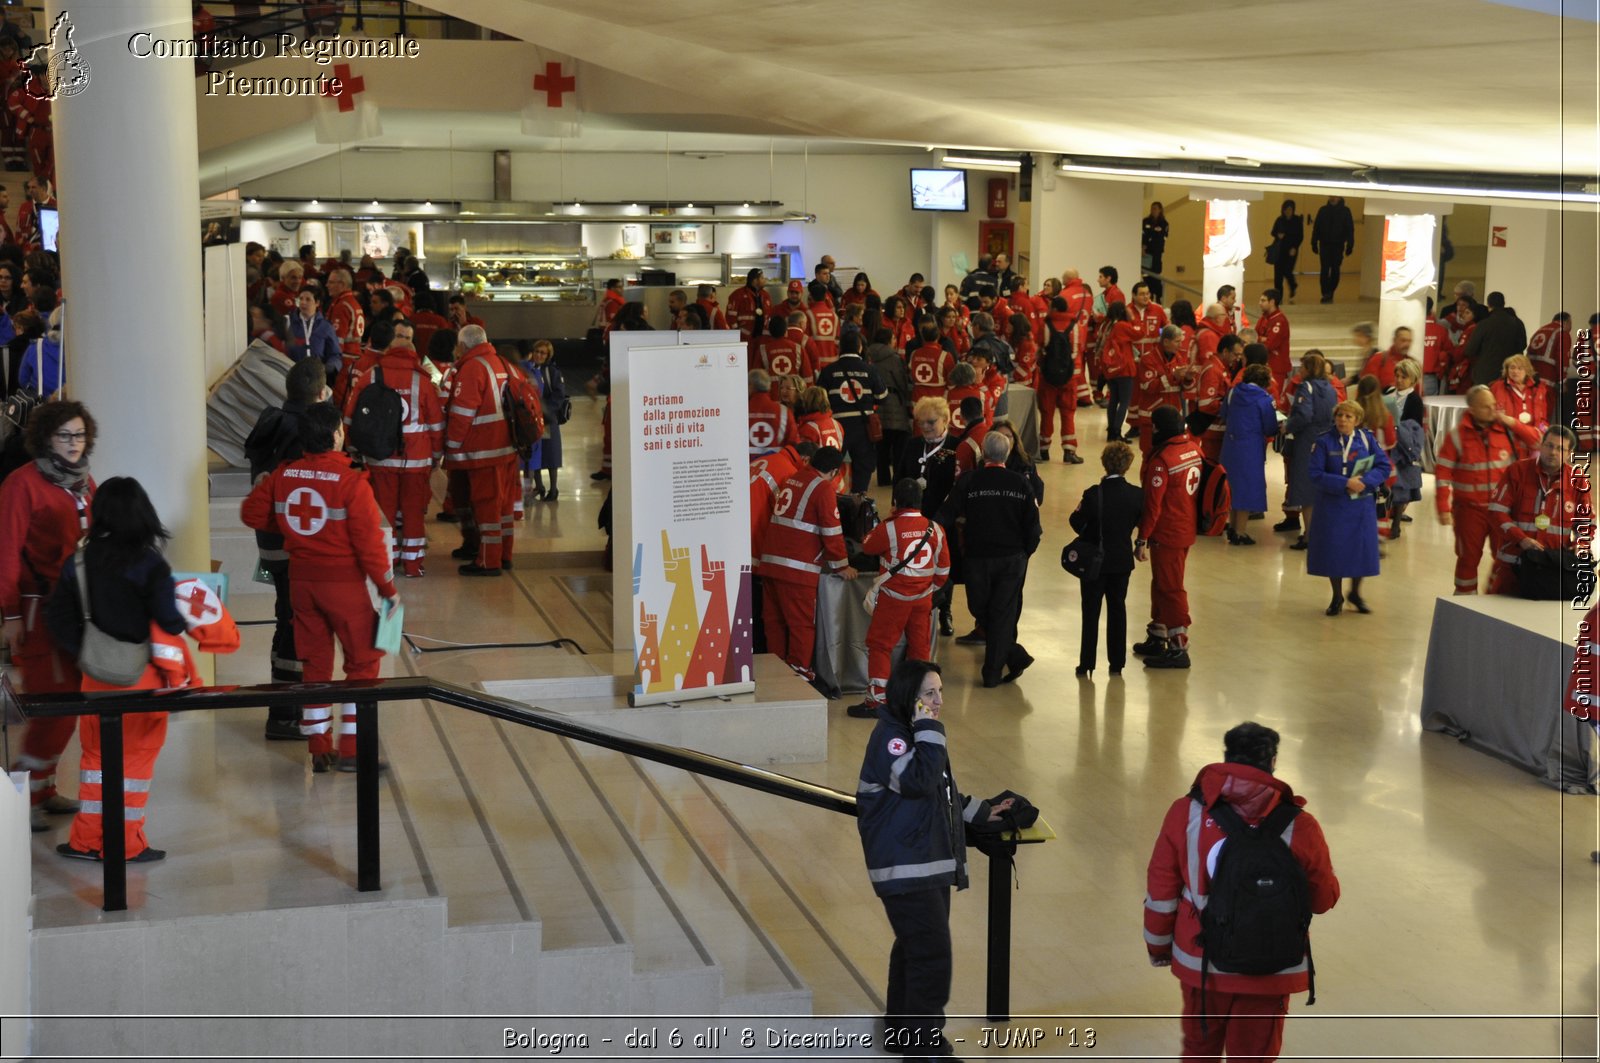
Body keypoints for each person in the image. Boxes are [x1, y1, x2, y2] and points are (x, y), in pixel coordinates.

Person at [1144, 722, 1339, 1063]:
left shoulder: (1185, 813)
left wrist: (1159, 946)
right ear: (1274, 761)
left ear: (1226, 758)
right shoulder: (1300, 824)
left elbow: (1161, 891)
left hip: (1201, 959)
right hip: (1273, 964)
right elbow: (1323, 900)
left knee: (1199, 1051)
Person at [856, 659, 1009, 1059]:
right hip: (909, 869)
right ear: (910, 696)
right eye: (929, 694)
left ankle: (900, 1030)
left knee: (914, 947)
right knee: (931, 956)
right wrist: (929, 728)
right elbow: (919, 780)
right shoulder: (892, 738)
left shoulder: (909, 733)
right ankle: (924, 1049)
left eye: (940, 692)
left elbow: (937, 790)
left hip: (926, 865)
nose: (939, 701)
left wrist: (979, 811)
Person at [241, 403, 400, 773]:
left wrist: (271, 497)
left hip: (301, 584)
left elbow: (251, 514)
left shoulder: (284, 474)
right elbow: (370, 546)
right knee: (364, 663)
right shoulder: (351, 482)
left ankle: (318, 748)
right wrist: (388, 589)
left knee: (315, 665)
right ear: (335, 436)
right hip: (343, 587)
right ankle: (352, 750)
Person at [45, 478, 191, 863]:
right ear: (143, 513)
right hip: (143, 680)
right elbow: (170, 622)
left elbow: (57, 615)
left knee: (95, 762)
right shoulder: (150, 564)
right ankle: (125, 845)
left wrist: (85, 651)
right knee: (135, 765)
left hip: (95, 677)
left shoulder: (79, 560)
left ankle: (85, 842)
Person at [0, 400, 95, 832]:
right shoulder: (22, 485)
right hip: (39, 608)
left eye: (79, 435)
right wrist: (11, 615)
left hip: (76, 608)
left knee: (69, 704)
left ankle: (44, 789)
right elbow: (6, 552)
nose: (74, 444)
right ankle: (22, 796)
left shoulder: (83, 481)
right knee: (51, 704)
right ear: (45, 439)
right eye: (64, 436)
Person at [243, 357, 330, 739]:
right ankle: (285, 715)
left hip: (272, 544)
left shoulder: (270, 422)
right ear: (321, 391)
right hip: (299, 548)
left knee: (287, 622)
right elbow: (311, 498)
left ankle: (285, 709)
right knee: (297, 627)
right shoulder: (308, 433)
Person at [938, 431, 1041, 687]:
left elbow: (947, 513)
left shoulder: (970, 481)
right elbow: (1034, 527)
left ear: (984, 453)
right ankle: (1014, 656)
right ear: (1006, 454)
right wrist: (1025, 553)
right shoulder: (1020, 484)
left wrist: (927, 532)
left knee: (982, 607)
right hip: (1009, 559)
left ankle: (992, 674)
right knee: (998, 614)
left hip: (980, 558)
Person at [344, 319, 443, 578]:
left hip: (380, 457)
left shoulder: (371, 375)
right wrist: (435, 457)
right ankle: (413, 565)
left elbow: (350, 416)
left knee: (384, 512)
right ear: (412, 350)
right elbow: (435, 423)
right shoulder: (423, 381)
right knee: (412, 512)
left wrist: (354, 448)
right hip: (416, 460)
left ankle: (386, 562)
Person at [847, 480, 950, 718]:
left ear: (895, 502)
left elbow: (868, 546)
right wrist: (927, 590)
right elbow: (943, 570)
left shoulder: (889, 528)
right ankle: (919, 701)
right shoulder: (936, 529)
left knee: (881, 645)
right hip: (922, 600)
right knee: (919, 648)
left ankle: (877, 700)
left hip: (894, 599)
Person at [755, 446, 857, 686]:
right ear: (834, 471)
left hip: (770, 563)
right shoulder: (822, 489)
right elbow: (831, 531)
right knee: (800, 624)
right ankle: (799, 670)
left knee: (774, 621)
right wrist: (842, 566)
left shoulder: (792, 479)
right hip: (796, 569)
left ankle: (775, 669)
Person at [1435, 385, 1542, 593]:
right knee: (1468, 558)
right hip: (1469, 511)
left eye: (1494, 405)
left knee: (1505, 557)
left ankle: (1494, 596)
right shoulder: (1456, 437)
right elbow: (1443, 474)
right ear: (1472, 410)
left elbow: (1537, 440)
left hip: (1503, 512)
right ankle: (1465, 602)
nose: (1493, 410)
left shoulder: (1507, 430)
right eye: (1486, 407)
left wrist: (1511, 421)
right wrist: (1442, 507)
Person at [442, 325, 520, 576]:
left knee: (485, 506)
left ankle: (488, 560)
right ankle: (503, 554)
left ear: (463, 346)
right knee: (503, 506)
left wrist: (451, 446)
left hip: (482, 452)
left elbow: (462, 413)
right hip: (507, 448)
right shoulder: (502, 363)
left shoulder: (473, 367)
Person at [1307, 399, 1392, 615]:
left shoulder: (1366, 439)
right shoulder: (1324, 442)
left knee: (1360, 550)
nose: (1342, 420)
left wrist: (1366, 482)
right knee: (1334, 550)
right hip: (1332, 505)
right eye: (1340, 415)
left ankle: (1355, 592)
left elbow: (1383, 465)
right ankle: (1337, 596)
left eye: (1348, 417)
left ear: (1357, 420)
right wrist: (1345, 483)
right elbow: (1315, 474)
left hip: (1360, 505)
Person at [1135, 406, 1202, 669]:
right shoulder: (1194, 448)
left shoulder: (1162, 460)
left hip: (1167, 532)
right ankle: (1157, 634)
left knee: (1171, 588)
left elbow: (1153, 505)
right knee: (1162, 583)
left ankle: (1178, 647)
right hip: (1185, 527)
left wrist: (1142, 538)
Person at [1070, 441, 1143, 678]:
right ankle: (1116, 663)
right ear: (1128, 465)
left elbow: (1075, 521)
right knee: (1117, 609)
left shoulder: (1093, 494)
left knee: (1090, 611)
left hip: (1094, 563)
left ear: (1104, 463)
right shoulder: (1136, 495)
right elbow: (1140, 522)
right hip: (1121, 562)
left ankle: (1086, 663)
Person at [1487, 426, 1587, 596]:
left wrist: (1581, 544)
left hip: (1551, 569)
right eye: (1549, 445)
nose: (1553, 452)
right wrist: (1521, 539)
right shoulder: (1516, 471)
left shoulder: (1578, 481)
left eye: (1560, 448)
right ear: (1541, 446)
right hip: (1513, 565)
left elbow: (1586, 522)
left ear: (1569, 453)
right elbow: (1496, 512)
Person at [1280, 352, 1339, 549]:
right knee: (1320, 488)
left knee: (1306, 490)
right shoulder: (1331, 388)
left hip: (1307, 440)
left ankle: (1309, 536)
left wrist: (1288, 425)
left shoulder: (1306, 387)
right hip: (1326, 438)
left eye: (1303, 367)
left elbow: (1304, 415)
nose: (1300, 370)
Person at [817, 332, 886, 494]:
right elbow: (882, 396)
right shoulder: (870, 370)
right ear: (860, 347)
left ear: (840, 348)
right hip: (863, 428)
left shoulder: (829, 371)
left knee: (831, 465)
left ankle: (831, 498)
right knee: (863, 467)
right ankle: (859, 502)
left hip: (836, 428)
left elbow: (819, 398)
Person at [1220, 364, 1280, 545]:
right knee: (1247, 488)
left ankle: (1231, 525)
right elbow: (1270, 427)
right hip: (1251, 447)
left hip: (1230, 444)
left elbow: (1224, 413)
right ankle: (1240, 531)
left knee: (1231, 486)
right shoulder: (1264, 399)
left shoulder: (1232, 392)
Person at [520, 339, 568, 502]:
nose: (539, 355)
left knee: (551, 454)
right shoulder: (529, 368)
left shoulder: (552, 372)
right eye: (537, 351)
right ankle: (539, 486)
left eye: (543, 353)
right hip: (534, 418)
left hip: (547, 417)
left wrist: (545, 410)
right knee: (535, 454)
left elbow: (559, 394)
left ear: (548, 355)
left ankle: (553, 489)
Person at [866, 327, 911, 487]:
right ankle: (897, 478)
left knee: (881, 445)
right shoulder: (894, 358)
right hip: (894, 403)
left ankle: (883, 479)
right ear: (888, 340)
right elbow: (901, 381)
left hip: (875, 404)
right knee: (899, 444)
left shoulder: (867, 355)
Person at [1388, 359, 1427, 536]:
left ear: (1413, 379)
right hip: (1386, 442)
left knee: (1401, 485)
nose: (1399, 380)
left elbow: (1414, 427)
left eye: (1404, 377)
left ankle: (1396, 522)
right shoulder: (1388, 393)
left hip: (1404, 446)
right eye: (1397, 376)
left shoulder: (1414, 400)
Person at [1466, 291, 1529, 387]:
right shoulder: (1517, 322)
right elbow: (1523, 345)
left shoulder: (1484, 324)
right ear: (1503, 303)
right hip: (1510, 373)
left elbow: (1470, 350)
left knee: (1486, 401)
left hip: (1486, 374)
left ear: (1489, 305)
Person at [1099, 300, 1139, 443]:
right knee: (1124, 402)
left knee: (1113, 400)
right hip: (1124, 369)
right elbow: (1139, 334)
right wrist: (1133, 318)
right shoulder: (1122, 325)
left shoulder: (1108, 325)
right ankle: (1117, 432)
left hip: (1111, 369)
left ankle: (1111, 431)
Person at [284, 288, 341, 379]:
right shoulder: (287, 322)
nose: (303, 302)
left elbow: (335, 354)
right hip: (290, 375)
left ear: (317, 303)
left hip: (316, 378)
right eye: (301, 299)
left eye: (308, 299)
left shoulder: (326, 327)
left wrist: (326, 368)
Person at [1489, 354, 1549, 435]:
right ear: (1507, 370)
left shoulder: (1539, 389)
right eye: (1512, 368)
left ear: (1527, 370)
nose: (1515, 371)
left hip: (1532, 434)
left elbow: (1542, 420)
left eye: (1520, 368)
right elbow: (1489, 415)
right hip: (1506, 434)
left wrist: (1544, 432)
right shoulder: (1496, 387)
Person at [1310, 196, 1355, 303]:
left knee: (1335, 269)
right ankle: (1326, 293)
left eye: (1334, 196)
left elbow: (1350, 229)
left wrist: (1350, 245)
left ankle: (1330, 291)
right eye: (1331, 196)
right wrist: (1314, 242)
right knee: (1324, 269)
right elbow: (1316, 227)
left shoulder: (1345, 211)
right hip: (1324, 244)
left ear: (1339, 198)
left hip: (1338, 245)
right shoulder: (1323, 210)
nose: (1332, 198)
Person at [1268, 199, 1304, 301]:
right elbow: (1273, 232)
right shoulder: (1279, 220)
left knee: (1287, 271)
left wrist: (1295, 247)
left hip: (1291, 250)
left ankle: (1293, 285)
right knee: (1278, 274)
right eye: (1286, 209)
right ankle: (1278, 297)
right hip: (1280, 250)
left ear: (1293, 210)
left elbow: (1300, 236)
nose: (1288, 211)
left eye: (1290, 209)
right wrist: (1278, 234)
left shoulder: (1297, 221)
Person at [1255, 289, 1291, 382]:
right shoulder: (1264, 317)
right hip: (1265, 364)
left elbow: (1269, 344)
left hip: (1276, 367)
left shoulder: (1280, 320)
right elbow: (1253, 336)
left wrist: (1260, 339)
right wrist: (1261, 339)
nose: (1259, 303)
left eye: (1263, 300)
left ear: (1272, 302)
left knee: (1273, 395)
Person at [727, 268, 771, 343]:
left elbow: (769, 316)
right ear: (755, 280)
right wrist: (737, 336)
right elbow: (730, 318)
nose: (764, 280)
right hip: (744, 338)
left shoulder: (766, 296)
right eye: (762, 278)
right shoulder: (738, 295)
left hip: (762, 339)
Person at [1141, 201, 1169, 290]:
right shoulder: (1146, 221)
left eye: (1155, 209)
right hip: (1147, 253)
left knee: (1155, 274)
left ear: (1160, 210)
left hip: (1157, 253)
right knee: (1146, 275)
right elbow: (1144, 235)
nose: (1153, 211)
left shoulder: (1164, 223)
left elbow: (1162, 237)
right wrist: (1143, 247)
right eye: (1152, 209)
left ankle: (1156, 295)